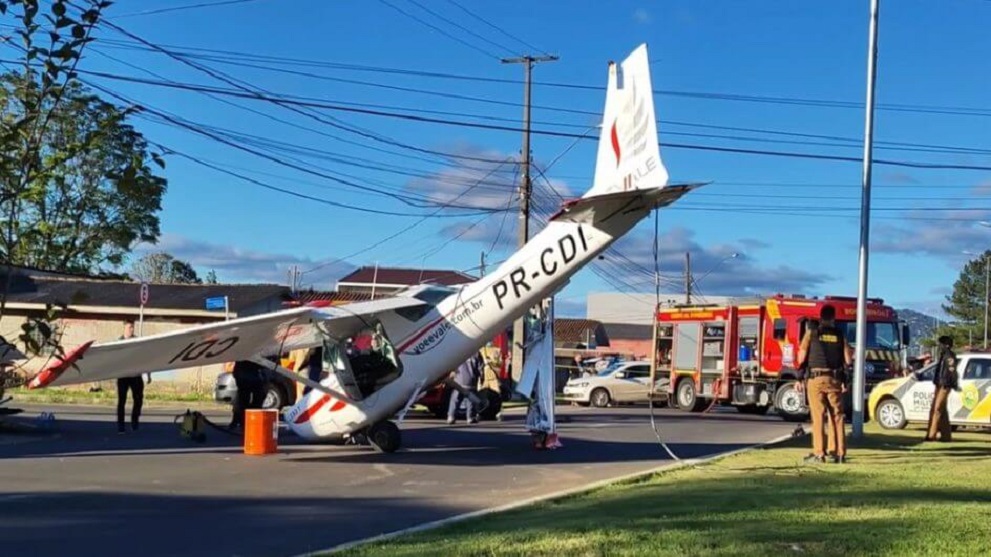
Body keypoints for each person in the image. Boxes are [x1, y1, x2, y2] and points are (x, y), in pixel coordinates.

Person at [796, 304, 852, 464]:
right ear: (833, 318)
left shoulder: (812, 333)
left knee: (818, 416)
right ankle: (839, 453)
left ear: (821, 317)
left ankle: (819, 454)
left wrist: (799, 377)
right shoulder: (840, 335)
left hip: (816, 379)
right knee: (837, 416)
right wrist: (845, 379)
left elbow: (801, 357)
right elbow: (848, 359)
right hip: (834, 379)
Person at [925, 335, 959, 442]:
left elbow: (952, 371)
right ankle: (946, 436)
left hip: (945, 385)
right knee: (942, 410)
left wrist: (952, 383)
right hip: (939, 384)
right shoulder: (943, 355)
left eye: (941, 344)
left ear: (946, 345)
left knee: (937, 409)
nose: (939, 346)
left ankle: (931, 435)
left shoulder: (949, 356)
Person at [115, 320, 145, 434]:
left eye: (132, 327)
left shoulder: (137, 342)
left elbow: (144, 358)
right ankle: (121, 426)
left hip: (136, 376)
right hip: (123, 376)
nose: (131, 329)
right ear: (124, 328)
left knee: (138, 400)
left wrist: (147, 373)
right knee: (121, 401)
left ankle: (134, 422)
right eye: (129, 327)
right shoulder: (119, 343)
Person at [229, 359, 265, 430]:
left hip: (247, 373)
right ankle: (243, 421)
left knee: (245, 399)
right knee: (245, 399)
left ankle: (242, 421)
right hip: (248, 373)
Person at [448, 352, 483, 425]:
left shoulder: (460, 352)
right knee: (470, 400)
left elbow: (452, 365)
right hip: (471, 381)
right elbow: (480, 368)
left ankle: (451, 416)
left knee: (455, 399)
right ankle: (470, 417)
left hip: (459, 380)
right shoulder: (476, 354)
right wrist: (482, 378)